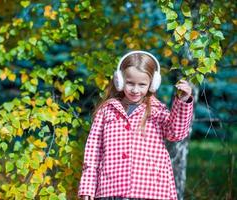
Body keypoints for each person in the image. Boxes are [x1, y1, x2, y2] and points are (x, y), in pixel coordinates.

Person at [77, 50, 194, 200]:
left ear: (152, 84)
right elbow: (93, 152)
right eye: (130, 83)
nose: (135, 89)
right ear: (119, 80)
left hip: (151, 189)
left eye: (142, 84)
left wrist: (183, 102)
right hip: (112, 189)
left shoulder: (157, 110)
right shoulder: (107, 111)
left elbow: (176, 133)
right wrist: (87, 188)